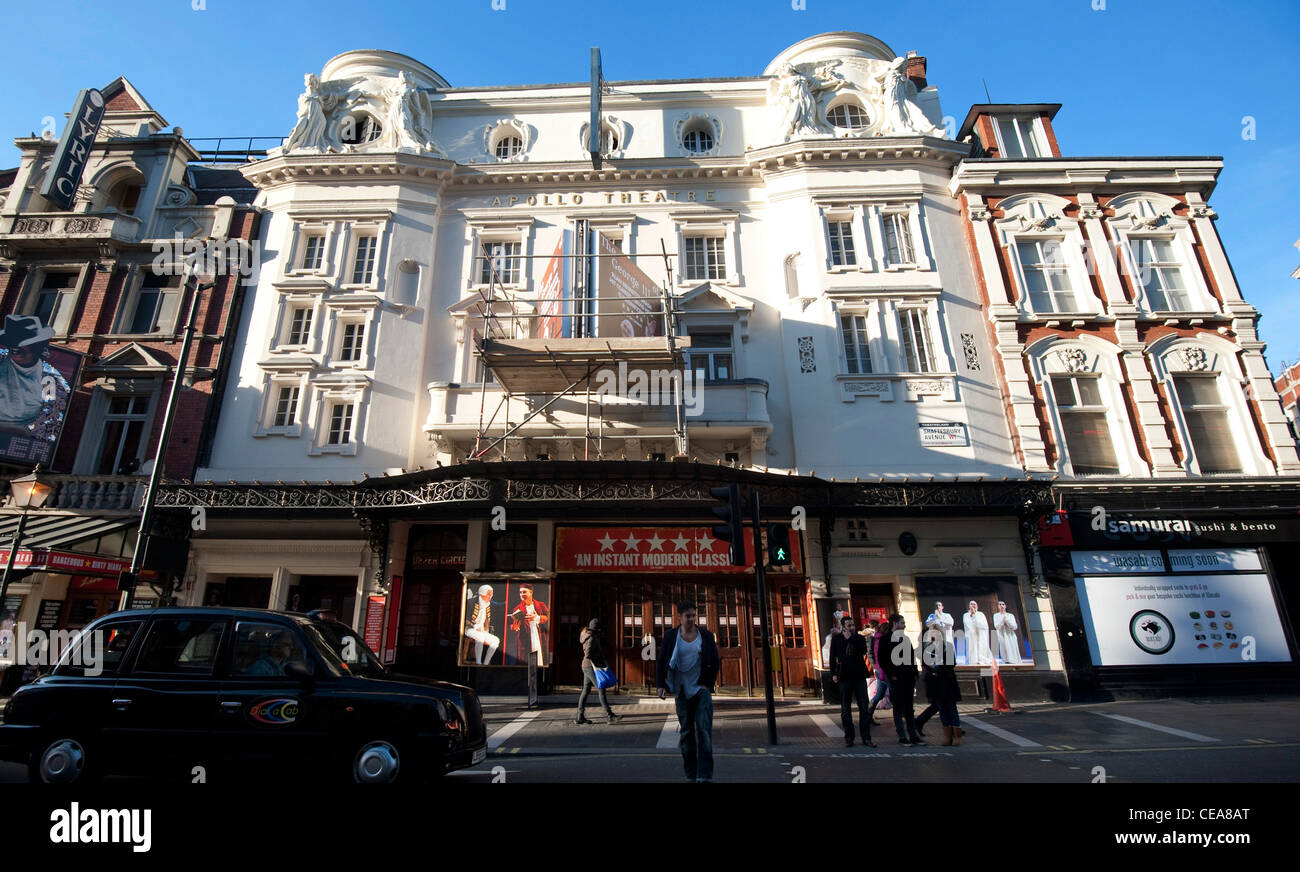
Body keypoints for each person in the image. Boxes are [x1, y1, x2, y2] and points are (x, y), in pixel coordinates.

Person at [656, 600, 720, 783]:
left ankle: (705, 774)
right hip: (682, 691)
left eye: (694, 615)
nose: (691, 619)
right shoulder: (671, 637)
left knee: (704, 732)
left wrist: (708, 684)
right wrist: (661, 685)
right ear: (679, 617)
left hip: (701, 690)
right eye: (688, 616)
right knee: (686, 734)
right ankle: (691, 774)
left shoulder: (705, 636)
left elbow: (715, 661)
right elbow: (662, 662)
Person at [0, 314, 71, 445]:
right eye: (11, 341)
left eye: (23, 342)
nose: (15, 347)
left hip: (18, 442)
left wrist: (18, 430)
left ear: (37, 347)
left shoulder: (51, 380)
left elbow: (50, 422)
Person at [829, 615, 876, 747]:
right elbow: (833, 656)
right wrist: (833, 673)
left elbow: (863, 651)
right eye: (849, 626)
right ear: (843, 627)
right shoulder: (837, 639)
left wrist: (851, 639)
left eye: (853, 625)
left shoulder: (859, 638)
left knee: (864, 707)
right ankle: (849, 737)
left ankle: (866, 737)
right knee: (845, 708)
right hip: (844, 676)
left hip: (859, 675)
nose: (852, 628)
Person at [878, 614, 924, 745]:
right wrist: (891, 674)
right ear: (894, 623)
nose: (904, 625)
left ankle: (913, 735)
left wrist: (915, 671)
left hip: (908, 677)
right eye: (902, 623)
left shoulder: (905, 638)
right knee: (898, 706)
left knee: (909, 707)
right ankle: (902, 735)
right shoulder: (885, 639)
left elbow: (911, 656)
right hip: (896, 678)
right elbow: (882, 659)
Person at [915, 626, 963, 745]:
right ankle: (947, 735)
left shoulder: (948, 646)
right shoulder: (928, 648)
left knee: (951, 708)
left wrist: (938, 667)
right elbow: (925, 662)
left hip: (947, 681)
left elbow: (952, 663)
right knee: (942, 709)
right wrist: (931, 667)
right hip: (935, 683)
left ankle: (956, 735)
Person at [509, 584, 550, 707]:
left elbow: (547, 617)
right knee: (526, 661)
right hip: (525, 639)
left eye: (524, 592)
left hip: (538, 636)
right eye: (521, 592)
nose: (522, 594)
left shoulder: (540, 605)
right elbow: (514, 625)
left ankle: (538, 688)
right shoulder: (518, 608)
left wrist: (537, 617)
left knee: (539, 659)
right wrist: (515, 627)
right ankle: (529, 692)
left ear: (531, 592)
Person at [576, 618, 620, 725]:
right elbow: (588, 654)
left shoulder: (586, 636)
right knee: (601, 689)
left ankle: (580, 717)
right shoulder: (591, 638)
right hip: (591, 667)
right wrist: (600, 658)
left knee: (585, 691)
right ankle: (609, 716)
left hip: (586, 666)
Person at [464, 584, 501, 665]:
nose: (491, 596)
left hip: (481, 630)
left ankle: (486, 663)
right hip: (469, 629)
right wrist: (474, 626)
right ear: (482, 594)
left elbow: (487, 622)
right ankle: (478, 663)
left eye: (491, 594)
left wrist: (485, 629)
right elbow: (465, 619)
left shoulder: (488, 605)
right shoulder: (471, 602)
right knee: (480, 637)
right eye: (489, 594)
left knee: (496, 640)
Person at [866, 617, 892, 722]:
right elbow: (870, 653)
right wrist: (875, 667)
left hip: (880, 669)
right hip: (881, 669)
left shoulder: (878, 638)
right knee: (893, 692)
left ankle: (868, 715)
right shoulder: (873, 638)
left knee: (880, 694)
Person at [963, 601, 992, 666]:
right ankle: (973, 660)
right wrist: (972, 616)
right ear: (969, 606)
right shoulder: (966, 615)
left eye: (974, 604)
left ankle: (982, 659)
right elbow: (967, 624)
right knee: (972, 648)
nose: (973, 605)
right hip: (971, 635)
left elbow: (983, 625)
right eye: (971, 604)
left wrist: (975, 614)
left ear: (977, 606)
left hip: (980, 634)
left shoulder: (981, 614)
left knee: (981, 647)